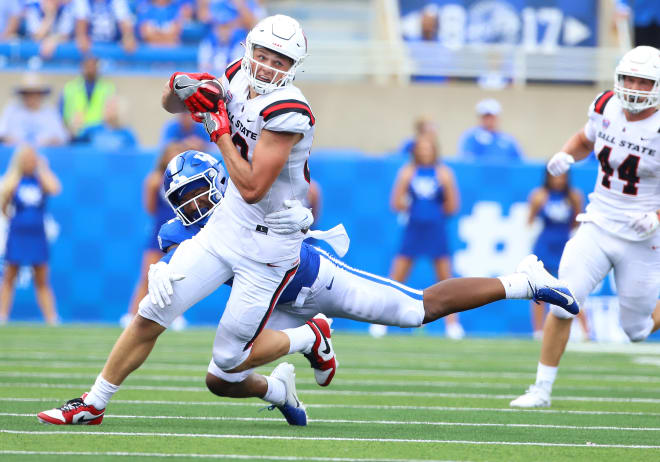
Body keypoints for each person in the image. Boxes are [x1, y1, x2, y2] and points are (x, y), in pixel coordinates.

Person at [37, 147, 580, 426]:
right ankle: (280, 387)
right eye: (188, 204)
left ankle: (522, 279)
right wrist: (166, 275)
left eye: (204, 195)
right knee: (220, 379)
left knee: (418, 308)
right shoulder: (188, 232)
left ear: (221, 186)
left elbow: (290, 191)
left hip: (311, 281)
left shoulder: (250, 196)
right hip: (264, 303)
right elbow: (181, 270)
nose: (199, 209)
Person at [510, 46, 660, 408]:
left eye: (645, 81)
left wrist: (655, 217)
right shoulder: (605, 104)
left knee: (636, 331)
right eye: (630, 79)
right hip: (597, 223)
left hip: (642, 238)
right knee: (563, 301)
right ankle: (541, 390)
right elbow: (584, 140)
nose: (636, 87)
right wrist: (566, 154)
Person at [373, 134, 464, 340]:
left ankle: (453, 325)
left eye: (428, 148)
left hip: (436, 230)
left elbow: (453, 205)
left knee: (445, 279)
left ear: (435, 150)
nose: (424, 152)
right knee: (397, 277)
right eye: (421, 148)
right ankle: (380, 322)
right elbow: (395, 203)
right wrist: (416, 209)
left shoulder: (444, 173)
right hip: (413, 230)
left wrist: (432, 212)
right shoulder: (407, 172)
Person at [0, 145, 61, 325]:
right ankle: (2, 316)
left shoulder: (40, 181)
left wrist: (43, 168)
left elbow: (55, 188)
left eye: (32, 159)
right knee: (9, 277)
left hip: (37, 236)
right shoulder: (14, 181)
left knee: (42, 279)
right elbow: (4, 202)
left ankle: (51, 318)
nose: (29, 162)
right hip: (17, 235)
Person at [121, 141, 179, 328]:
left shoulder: (186, 177)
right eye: (170, 153)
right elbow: (150, 207)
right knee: (147, 274)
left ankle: (176, 317)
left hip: (181, 231)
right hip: (160, 232)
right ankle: (132, 314)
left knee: (178, 274)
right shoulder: (155, 179)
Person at [527, 171, 586, 340]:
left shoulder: (573, 196)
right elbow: (530, 220)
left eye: (562, 177)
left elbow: (576, 221)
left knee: (571, 288)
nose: (558, 180)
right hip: (544, 246)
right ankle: (538, 331)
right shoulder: (540, 196)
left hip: (563, 246)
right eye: (555, 176)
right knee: (539, 288)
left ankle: (584, 330)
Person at [0, 73, 69, 147]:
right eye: (28, 93)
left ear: (41, 94)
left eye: (35, 93)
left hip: (44, 155)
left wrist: (50, 141)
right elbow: (2, 133)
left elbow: (63, 137)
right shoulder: (12, 109)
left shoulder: (50, 112)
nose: (32, 97)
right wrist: (11, 140)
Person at [60, 55, 116, 138]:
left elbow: (113, 116)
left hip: (100, 136)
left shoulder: (108, 88)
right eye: (87, 65)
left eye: (93, 65)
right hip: (75, 135)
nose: (91, 68)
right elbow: (61, 114)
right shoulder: (69, 88)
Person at [457, 98, 524, 162]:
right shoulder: (471, 137)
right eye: (486, 116)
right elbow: (467, 160)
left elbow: (519, 162)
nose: (489, 120)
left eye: (492, 116)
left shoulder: (508, 140)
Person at [72, 0, 137, 53]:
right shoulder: (82, 2)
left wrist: (128, 37)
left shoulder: (116, 1)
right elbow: (81, 20)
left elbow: (124, 20)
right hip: (91, 44)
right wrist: (82, 37)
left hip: (113, 43)